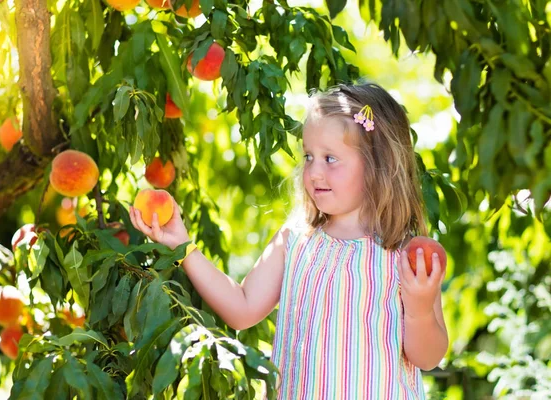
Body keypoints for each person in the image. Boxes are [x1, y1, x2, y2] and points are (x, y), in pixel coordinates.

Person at [129, 82, 448, 399]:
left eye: (330, 159)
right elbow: (242, 309)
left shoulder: (406, 255)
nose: (314, 172)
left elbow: (428, 357)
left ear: (377, 164)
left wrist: (420, 307)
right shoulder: (296, 240)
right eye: (309, 156)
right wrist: (183, 246)